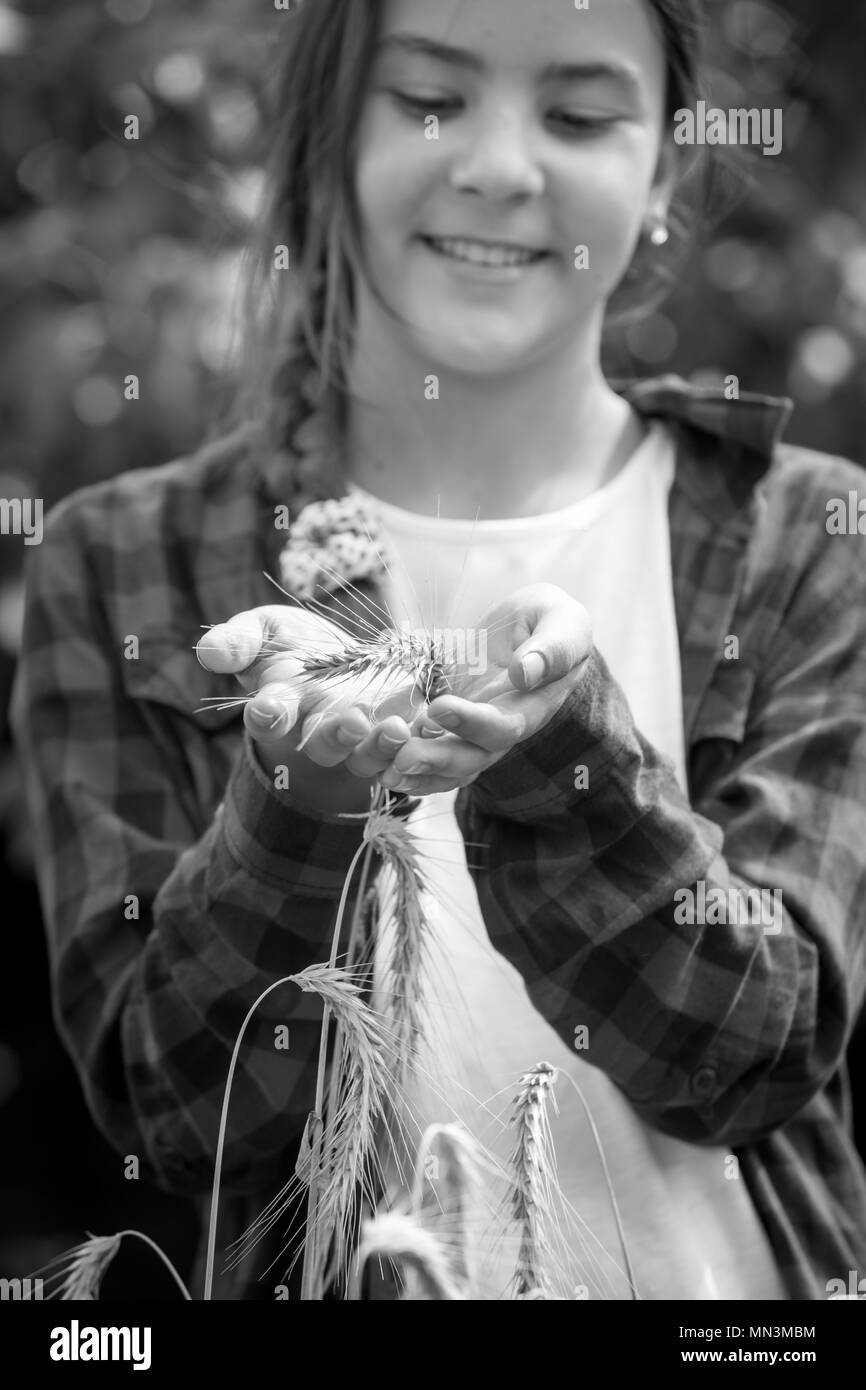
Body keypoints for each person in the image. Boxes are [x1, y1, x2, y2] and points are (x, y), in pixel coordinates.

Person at [11, 0, 866, 1301]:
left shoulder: (808, 536)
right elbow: (173, 1112)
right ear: (326, 134)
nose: (499, 166)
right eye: (427, 98)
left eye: (577, 114)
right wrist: (292, 806)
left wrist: (572, 767)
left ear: (662, 166)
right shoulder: (122, 560)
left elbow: (757, 1053)